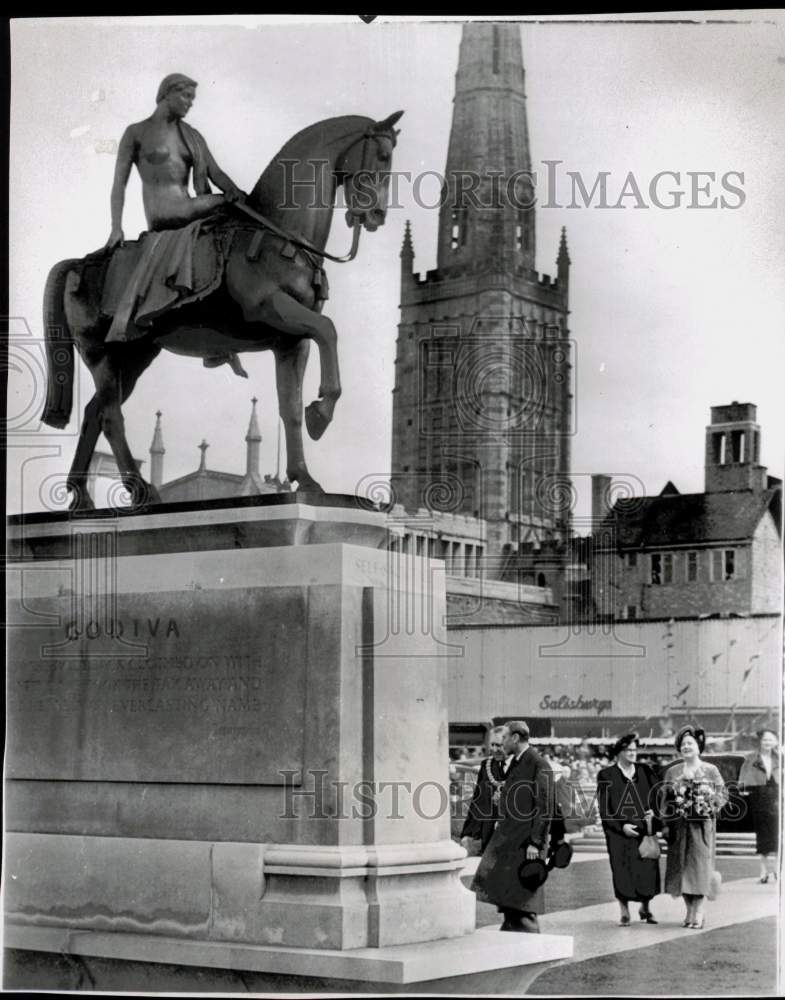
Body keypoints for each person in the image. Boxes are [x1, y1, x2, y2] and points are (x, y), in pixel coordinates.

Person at [106, 73, 244, 248]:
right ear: (167, 94)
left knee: (240, 203)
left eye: (192, 98)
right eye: (186, 96)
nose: (190, 103)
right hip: (165, 212)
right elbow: (119, 184)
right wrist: (116, 228)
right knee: (239, 205)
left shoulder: (192, 136)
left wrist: (233, 190)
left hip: (189, 206)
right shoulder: (136, 132)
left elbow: (215, 172)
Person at [471, 721, 553, 933]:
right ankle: (511, 933)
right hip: (511, 840)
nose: (502, 742)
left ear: (515, 738)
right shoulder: (518, 762)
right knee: (509, 896)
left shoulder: (538, 764)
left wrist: (535, 843)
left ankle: (529, 941)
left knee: (524, 901)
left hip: (526, 843)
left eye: (505, 738)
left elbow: (544, 808)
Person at [662, 725, 727, 929]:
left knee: (700, 868)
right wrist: (665, 823)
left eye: (690, 743)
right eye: (682, 744)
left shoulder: (710, 770)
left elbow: (722, 794)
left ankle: (699, 911)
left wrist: (709, 803)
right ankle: (689, 910)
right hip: (679, 827)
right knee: (681, 869)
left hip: (702, 826)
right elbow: (664, 800)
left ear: (699, 746)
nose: (686, 747)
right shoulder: (673, 771)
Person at [597, 733, 661, 926]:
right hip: (619, 834)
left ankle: (646, 907)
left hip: (643, 830)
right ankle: (624, 911)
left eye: (635, 750)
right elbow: (604, 808)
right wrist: (620, 826)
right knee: (622, 870)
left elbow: (657, 799)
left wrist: (654, 818)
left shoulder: (645, 771)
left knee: (647, 869)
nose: (633, 753)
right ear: (619, 752)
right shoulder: (606, 775)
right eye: (628, 750)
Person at [739, 729, 780, 883]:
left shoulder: (780, 757)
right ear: (760, 742)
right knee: (762, 833)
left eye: (771, 740)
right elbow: (743, 776)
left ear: (775, 742)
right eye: (765, 740)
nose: (768, 743)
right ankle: (763, 870)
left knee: (777, 833)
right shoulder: (751, 758)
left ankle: (777, 870)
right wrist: (742, 790)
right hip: (759, 797)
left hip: (777, 797)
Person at [459, 728, 506, 854]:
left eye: (499, 745)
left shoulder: (522, 765)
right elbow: (478, 800)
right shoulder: (486, 765)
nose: (494, 749)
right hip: (488, 832)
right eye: (492, 745)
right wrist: (468, 832)